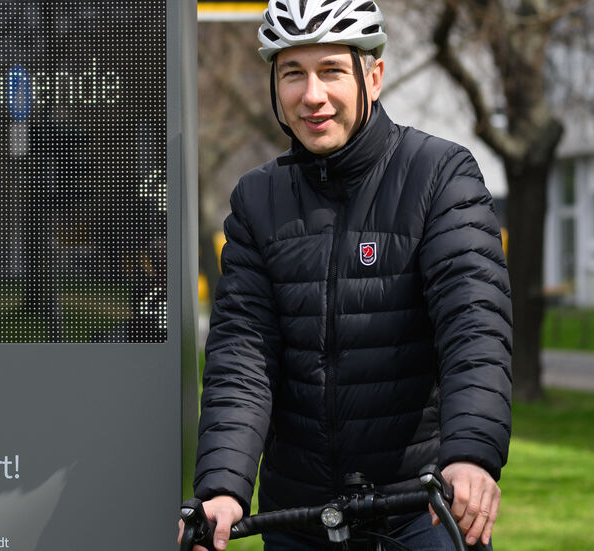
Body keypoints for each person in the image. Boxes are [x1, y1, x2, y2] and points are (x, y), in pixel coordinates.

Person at [184, 1, 512, 549]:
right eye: (293, 73)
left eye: (331, 70)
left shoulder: (439, 176)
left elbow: (474, 328)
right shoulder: (256, 200)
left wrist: (471, 456)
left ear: (373, 77)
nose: (312, 95)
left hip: (418, 510)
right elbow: (243, 357)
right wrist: (222, 488)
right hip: (299, 518)